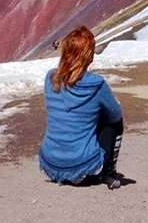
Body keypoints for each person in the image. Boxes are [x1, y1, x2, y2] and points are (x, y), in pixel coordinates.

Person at [39, 25, 124, 189]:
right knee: (112, 121)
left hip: (51, 164)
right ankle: (108, 171)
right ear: (89, 56)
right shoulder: (96, 84)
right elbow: (115, 115)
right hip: (81, 168)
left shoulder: (51, 78)